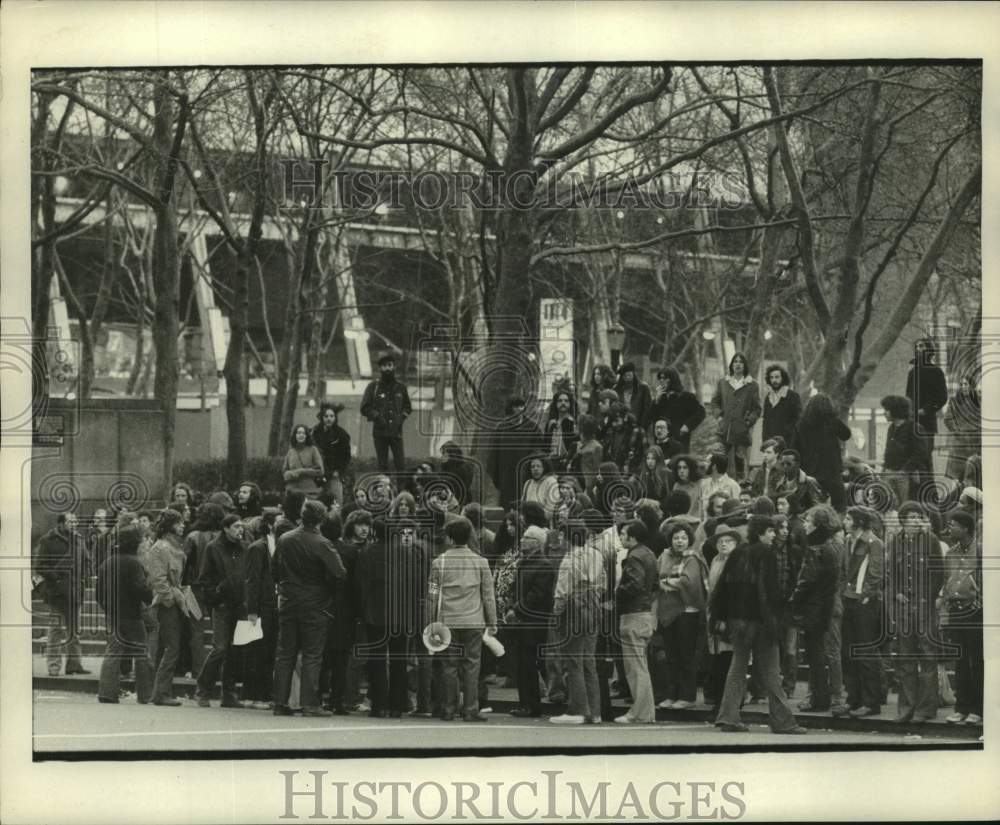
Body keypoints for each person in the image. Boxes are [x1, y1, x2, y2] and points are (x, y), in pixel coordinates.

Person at [711, 516, 806, 734]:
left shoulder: (738, 553)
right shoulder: (766, 555)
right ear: (760, 533)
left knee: (737, 667)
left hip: (738, 621)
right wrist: (776, 618)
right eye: (770, 531)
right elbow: (770, 592)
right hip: (761, 622)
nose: (773, 535)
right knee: (772, 671)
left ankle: (728, 717)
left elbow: (723, 589)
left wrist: (723, 618)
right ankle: (783, 722)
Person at [272, 499, 347, 717]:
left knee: (285, 653)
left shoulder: (285, 539)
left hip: (288, 599)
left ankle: (279, 702)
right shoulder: (322, 543)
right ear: (320, 519)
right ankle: (309, 703)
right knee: (312, 655)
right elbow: (340, 573)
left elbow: (274, 569)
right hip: (314, 602)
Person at [427, 516, 498, 722]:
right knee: (472, 665)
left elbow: (432, 594)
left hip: (447, 620)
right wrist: (492, 621)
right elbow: (488, 595)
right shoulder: (481, 562)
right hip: (474, 620)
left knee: (449, 666)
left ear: (449, 538)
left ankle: (448, 708)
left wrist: (430, 621)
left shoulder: (438, 563)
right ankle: (470, 709)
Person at [357, 519, 425, 718]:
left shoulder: (367, 552)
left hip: (376, 612)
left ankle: (379, 705)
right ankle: (398, 704)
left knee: (377, 659)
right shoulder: (407, 553)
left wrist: (362, 610)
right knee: (399, 659)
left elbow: (362, 585)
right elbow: (416, 583)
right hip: (401, 613)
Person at [887, 502, 945, 722]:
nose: (915, 520)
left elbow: (938, 572)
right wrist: (897, 594)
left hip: (925, 608)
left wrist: (928, 597)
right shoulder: (895, 541)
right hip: (904, 609)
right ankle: (906, 707)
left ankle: (926, 708)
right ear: (902, 520)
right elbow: (891, 573)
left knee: (928, 657)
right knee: (905, 659)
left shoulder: (930, 540)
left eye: (918, 517)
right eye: (911, 517)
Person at [548, 519, 607, 725]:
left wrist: (557, 612)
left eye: (562, 535)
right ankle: (595, 711)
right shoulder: (596, 555)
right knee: (588, 661)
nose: (560, 539)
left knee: (573, 661)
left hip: (574, 609)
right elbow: (603, 583)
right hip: (593, 607)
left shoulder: (569, 559)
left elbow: (562, 592)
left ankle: (578, 710)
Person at [790, 504, 847, 715]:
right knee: (823, 652)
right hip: (826, 602)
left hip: (823, 604)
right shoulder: (828, 546)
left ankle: (828, 697)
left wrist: (795, 600)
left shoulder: (821, 548)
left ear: (817, 525)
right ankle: (823, 695)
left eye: (808, 521)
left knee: (823, 652)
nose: (804, 525)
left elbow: (808, 580)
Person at [194, 514, 249, 709]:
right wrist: (216, 597)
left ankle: (229, 693)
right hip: (222, 605)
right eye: (236, 526)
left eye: (241, 526)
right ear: (225, 528)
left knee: (236, 650)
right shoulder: (213, 548)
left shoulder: (245, 547)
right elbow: (205, 578)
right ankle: (203, 689)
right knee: (220, 648)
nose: (240, 530)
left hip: (240, 605)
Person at [95, 525, 154, 704]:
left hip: (113, 614)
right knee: (142, 653)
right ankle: (145, 694)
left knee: (113, 651)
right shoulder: (134, 562)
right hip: (132, 615)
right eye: (142, 539)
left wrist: (108, 608)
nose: (144, 543)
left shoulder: (108, 562)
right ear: (134, 542)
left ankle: (107, 692)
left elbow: (98, 593)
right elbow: (140, 589)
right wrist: (151, 596)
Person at [838, 507, 885, 718]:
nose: (845, 521)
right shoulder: (848, 541)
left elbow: (876, 574)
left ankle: (871, 701)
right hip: (848, 600)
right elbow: (844, 570)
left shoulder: (874, 543)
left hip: (865, 603)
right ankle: (853, 698)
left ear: (859, 521)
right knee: (848, 653)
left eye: (848, 518)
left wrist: (865, 595)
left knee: (865, 653)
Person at [655, 522, 708, 710]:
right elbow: (657, 577)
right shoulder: (664, 555)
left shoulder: (693, 558)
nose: (680, 541)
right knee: (671, 655)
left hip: (687, 612)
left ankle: (687, 696)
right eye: (676, 537)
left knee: (686, 655)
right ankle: (672, 694)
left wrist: (668, 582)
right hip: (667, 611)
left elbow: (689, 582)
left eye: (684, 538)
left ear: (690, 540)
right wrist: (670, 583)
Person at [508, 523, 556, 718]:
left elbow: (537, 595)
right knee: (522, 664)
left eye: (526, 538)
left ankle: (531, 704)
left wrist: (516, 608)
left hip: (533, 622)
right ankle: (525, 702)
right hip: (522, 620)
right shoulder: (524, 562)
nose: (521, 540)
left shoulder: (543, 565)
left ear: (536, 543)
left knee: (529, 663)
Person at [939, 510, 983, 725]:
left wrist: (980, 600)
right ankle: (962, 707)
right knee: (961, 660)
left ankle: (977, 707)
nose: (950, 529)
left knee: (977, 660)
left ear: (966, 528)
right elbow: (948, 580)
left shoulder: (981, 550)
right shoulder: (951, 553)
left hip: (975, 612)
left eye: (954, 525)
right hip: (956, 610)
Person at [34, 512, 90, 677]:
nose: (75, 524)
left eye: (76, 521)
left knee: (74, 630)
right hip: (56, 593)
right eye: (71, 521)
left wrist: (84, 578)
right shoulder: (47, 540)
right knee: (56, 630)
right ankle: (53, 666)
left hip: (75, 591)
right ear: (62, 523)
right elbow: (40, 565)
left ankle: (74, 665)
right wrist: (57, 578)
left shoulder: (79, 539)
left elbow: (86, 559)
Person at [613, 519, 658, 724]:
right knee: (640, 665)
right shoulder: (648, 553)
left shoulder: (635, 556)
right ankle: (644, 711)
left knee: (635, 667)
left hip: (633, 614)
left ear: (633, 536)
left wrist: (615, 593)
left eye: (623, 534)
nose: (621, 537)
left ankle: (639, 712)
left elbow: (634, 584)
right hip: (646, 613)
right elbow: (653, 584)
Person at [145, 509, 188, 707]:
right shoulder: (160, 548)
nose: (183, 526)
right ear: (171, 525)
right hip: (165, 603)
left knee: (168, 647)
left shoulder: (170, 546)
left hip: (171, 600)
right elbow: (158, 579)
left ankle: (160, 692)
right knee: (172, 647)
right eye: (179, 523)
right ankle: (161, 692)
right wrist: (171, 599)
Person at [243, 512, 278, 710]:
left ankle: (264, 693)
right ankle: (254, 695)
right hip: (261, 605)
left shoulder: (277, 545)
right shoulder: (258, 548)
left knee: (268, 650)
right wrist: (252, 609)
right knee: (258, 650)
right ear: (270, 524)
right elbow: (253, 580)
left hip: (272, 604)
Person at [794, 393, 852, 511]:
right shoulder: (832, 421)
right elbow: (846, 434)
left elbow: (795, 446)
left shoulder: (801, 424)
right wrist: (835, 418)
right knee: (839, 503)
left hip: (810, 470)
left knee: (811, 504)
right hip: (832, 470)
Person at [709, 352, 761, 480]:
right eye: (735, 362)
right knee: (717, 456)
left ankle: (741, 487)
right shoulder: (723, 382)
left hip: (741, 430)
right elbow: (715, 401)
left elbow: (757, 408)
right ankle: (717, 483)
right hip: (724, 428)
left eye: (741, 362)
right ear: (732, 365)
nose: (738, 364)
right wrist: (719, 416)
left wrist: (748, 422)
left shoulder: (752, 385)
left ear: (745, 366)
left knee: (740, 460)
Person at [489, 397, 547, 510]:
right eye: (516, 406)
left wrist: (532, 468)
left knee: (526, 506)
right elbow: (493, 453)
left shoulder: (532, 428)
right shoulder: (501, 428)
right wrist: (497, 476)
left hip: (525, 475)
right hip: (506, 475)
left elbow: (539, 450)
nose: (519, 409)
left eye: (521, 406)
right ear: (510, 409)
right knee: (507, 507)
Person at [361, 351, 412, 472]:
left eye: (390, 365)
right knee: (382, 465)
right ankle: (383, 490)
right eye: (384, 366)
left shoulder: (401, 387)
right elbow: (364, 408)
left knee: (400, 465)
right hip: (380, 433)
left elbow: (408, 407)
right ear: (380, 368)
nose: (387, 368)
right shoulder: (373, 387)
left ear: (394, 367)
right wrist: (377, 417)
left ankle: (402, 490)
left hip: (396, 432)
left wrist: (401, 418)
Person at [905, 338, 948, 472]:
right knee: (912, 460)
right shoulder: (912, 372)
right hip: (912, 422)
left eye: (922, 346)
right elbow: (908, 396)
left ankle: (929, 492)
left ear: (929, 349)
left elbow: (942, 397)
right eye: (916, 346)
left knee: (925, 460)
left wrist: (925, 410)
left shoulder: (936, 372)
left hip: (927, 423)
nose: (918, 349)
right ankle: (913, 493)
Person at [881, 395, 929, 507]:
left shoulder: (914, 428)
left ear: (895, 410)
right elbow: (889, 450)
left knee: (907, 507)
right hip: (890, 473)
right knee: (890, 506)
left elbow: (921, 453)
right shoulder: (891, 428)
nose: (885, 413)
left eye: (887, 410)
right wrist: (884, 470)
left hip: (906, 476)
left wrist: (905, 470)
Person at [648, 366, 705, 451]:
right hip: (661, 442)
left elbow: (701, 412)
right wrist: (656, 401)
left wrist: (687, 426)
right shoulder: (659, 399)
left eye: (664, 378)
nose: (661, 381)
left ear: (673, 379)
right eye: (660, 378)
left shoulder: (686, 397)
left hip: (679, 442)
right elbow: (651, 417)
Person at [311, 401, 352, 506]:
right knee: (316, 504)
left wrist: (338, 471)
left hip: (334, 475)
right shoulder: (313, 433)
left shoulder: (341, 435)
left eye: (331, 416)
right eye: (326, 416)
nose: (329, 418)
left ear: (335, 417)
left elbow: (346, 456)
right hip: (317, 476)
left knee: (336, 504)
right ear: (322, 417)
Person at [943, 375, 980, 482]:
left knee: (973, 474)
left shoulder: (978, 402)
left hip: (974, 442)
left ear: (971, 386)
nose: (963, 387)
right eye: (961, 385)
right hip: (959, 444)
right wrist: (957, 430)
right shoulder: (954, 402)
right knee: (958, 476)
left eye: (966, 384)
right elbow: (947, 419)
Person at [773, 449, 828, 515]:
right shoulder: (779, 484)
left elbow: (818, 508)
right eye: (782, 464)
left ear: (797, 464)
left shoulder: (808, 482)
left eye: (788, 464)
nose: (785, 467)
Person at [762, 365, 802, 447]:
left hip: (788, 442)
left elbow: (798, 419)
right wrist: (765, 441)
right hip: (771, 444)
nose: (774, 380)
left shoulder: (792, 396)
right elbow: (765, 421)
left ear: (783, 378)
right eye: (772, 378)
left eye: (777, 377)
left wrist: (788, 432)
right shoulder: (768, 398)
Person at [283, 424, 325, 496]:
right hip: (292, 491)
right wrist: (289, 474)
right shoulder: (290, 452)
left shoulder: (313, 450)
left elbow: (320, 471)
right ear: (295, 435)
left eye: (303, 433)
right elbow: (284, 471)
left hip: (309, 491)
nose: (301, 435)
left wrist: (302, 471)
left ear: (306, 436)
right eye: (298, 433)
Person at [545, 389, 579, 472]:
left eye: (566, 401)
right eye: (560, 401)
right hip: (551, 464)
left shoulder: (574, 424)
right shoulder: (551, 423)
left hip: (567, 465)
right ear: (555, 404)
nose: (563, 403)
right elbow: (545, 445)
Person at [615, 362, 653, 431]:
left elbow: (647, 409)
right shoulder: (617, 389)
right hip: (621, 427)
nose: (627, 377)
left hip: (638, 427)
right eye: (624, 376)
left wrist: (642, 427)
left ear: (633, 374)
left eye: (629, 375)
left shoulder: (643, 388)